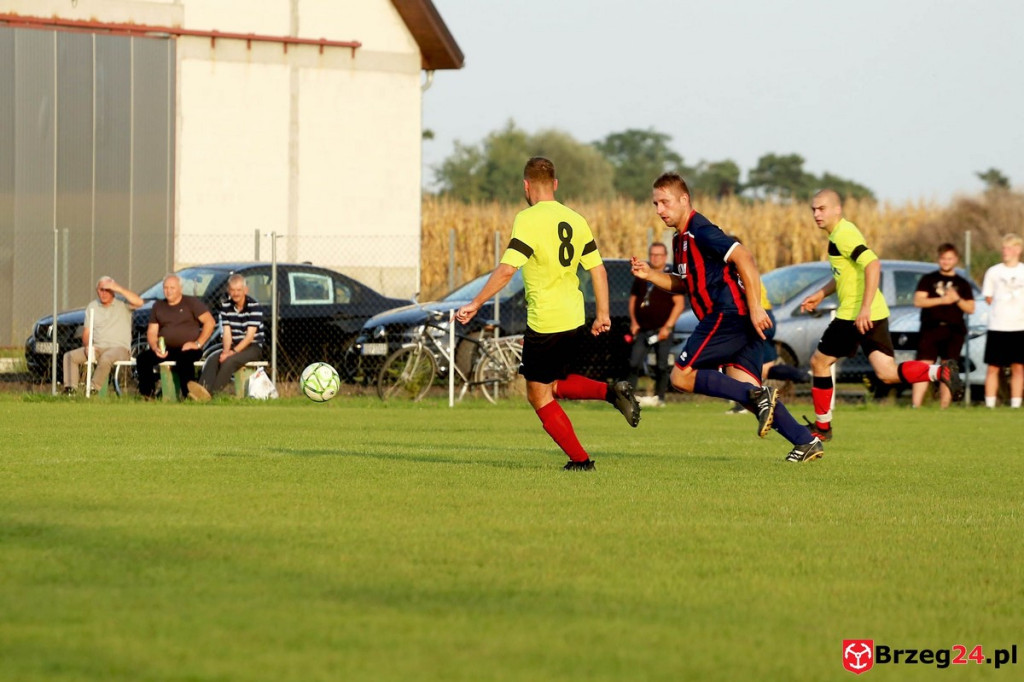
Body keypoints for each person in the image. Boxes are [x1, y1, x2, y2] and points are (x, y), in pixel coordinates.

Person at [454, 157, 640, 471]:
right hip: (574, 316)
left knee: (538, 395)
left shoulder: (528, 219)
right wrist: (603, 314)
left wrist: (475, 302)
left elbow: (506, 270)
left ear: (526, 186)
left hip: (546, 320)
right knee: (553, 384)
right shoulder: (576, 219)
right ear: (554, 184)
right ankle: (612, 391)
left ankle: (581, 461)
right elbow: (598, 269)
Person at [631, 172, 824, 463]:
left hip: (728, 315)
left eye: (665, 202)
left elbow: (744, 256)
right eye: (655, 203)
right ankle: (805, 441)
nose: (659, 210)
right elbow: (685, 283)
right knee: (749, 394)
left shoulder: (700, 229)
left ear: (684, 200)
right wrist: (650, 275)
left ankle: (764, 399)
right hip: (736, 319)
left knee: (680, 377)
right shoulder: (680, 238)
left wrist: (757, 306)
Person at [800, 189, 963, 439]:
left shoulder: (843, 234)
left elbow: (873, 264)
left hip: (854, 314)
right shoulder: (840, 234)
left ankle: (822, 428)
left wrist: (863, 309)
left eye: (821, 208)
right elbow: (846, 274)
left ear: (837, 210)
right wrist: (822, 294)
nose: (816, 214)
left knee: (819, 363)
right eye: (813, 209)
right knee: (887, 373)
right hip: (874, 312)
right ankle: (940, 372)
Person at [911, 243, 976, 408]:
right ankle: (916, 405)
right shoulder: (928, 279)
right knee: (923, 365)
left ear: (956, 260)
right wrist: (942, 300)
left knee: (948, 367)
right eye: (943, 258)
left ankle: (944, 406)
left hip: (953, 330)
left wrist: (957, 299)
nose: (946, 262)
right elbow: (918, 301)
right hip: (930, 329)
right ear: (939, 259)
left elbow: (970, 308)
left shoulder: (962, 283)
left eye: (950, 259)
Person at [136, 274, 216, 400]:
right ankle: (147, 395)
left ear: (180, 289)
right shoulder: (158, 306)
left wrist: (197, 343)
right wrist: (154, 347)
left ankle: (189, 394)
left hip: (188, 348)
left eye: (172, 288)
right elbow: (152, 332)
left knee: (184, 361)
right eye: (166, 288)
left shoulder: (191, 303)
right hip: (166, 349)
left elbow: (210, 322)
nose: (168, 291)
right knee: (143, 359)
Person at [62, 276, 143, 395]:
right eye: (101, 290)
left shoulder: (123, 304)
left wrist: (118, 288)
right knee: (69, 356)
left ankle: (93, 389)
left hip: (119, 349)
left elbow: (139, 302)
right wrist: (87, 346)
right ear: (97, 291)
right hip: (97, 347)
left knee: (106, 357)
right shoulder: (92, 306)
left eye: (107, 290)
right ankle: (70, 390)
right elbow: (87, 332)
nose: (104, 293)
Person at [627, 242, 685, 407]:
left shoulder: (670, 277)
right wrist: (634, 322)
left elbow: (679, 304)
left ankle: (660, 398)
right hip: (643, 329)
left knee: (661, 365)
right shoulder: (642, 275)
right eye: (652, 255)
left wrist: (667, 327)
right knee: (634, 362)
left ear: (665, 257)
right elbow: (633, 300)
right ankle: (629, 398)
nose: (655, 258)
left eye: (659, 255)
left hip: (662, 330)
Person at [190, 274, 266, 401]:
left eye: (239, 290)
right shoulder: (226, 307)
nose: (236, 293)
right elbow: (226, 333)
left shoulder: (255, 307)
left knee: (229, 361)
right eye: (233, 290)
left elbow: (249, 337)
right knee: (212, 358)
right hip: (232, 346)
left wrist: (232, 353)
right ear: (228, 290)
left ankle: (212, 396)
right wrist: (225, 351)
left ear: (245, 290)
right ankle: (201, 391)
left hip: (252, 347)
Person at [980, 233, 1024, 408]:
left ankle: (1015, 404)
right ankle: (989, 404)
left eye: (1009, 247)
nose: (1005, 251)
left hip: (1020, 326)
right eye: (1004, 248)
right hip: (998, 326)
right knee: (993, 367)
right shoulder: (994, 271)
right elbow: (988, 297)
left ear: (1018, 250)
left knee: (1018, 368)